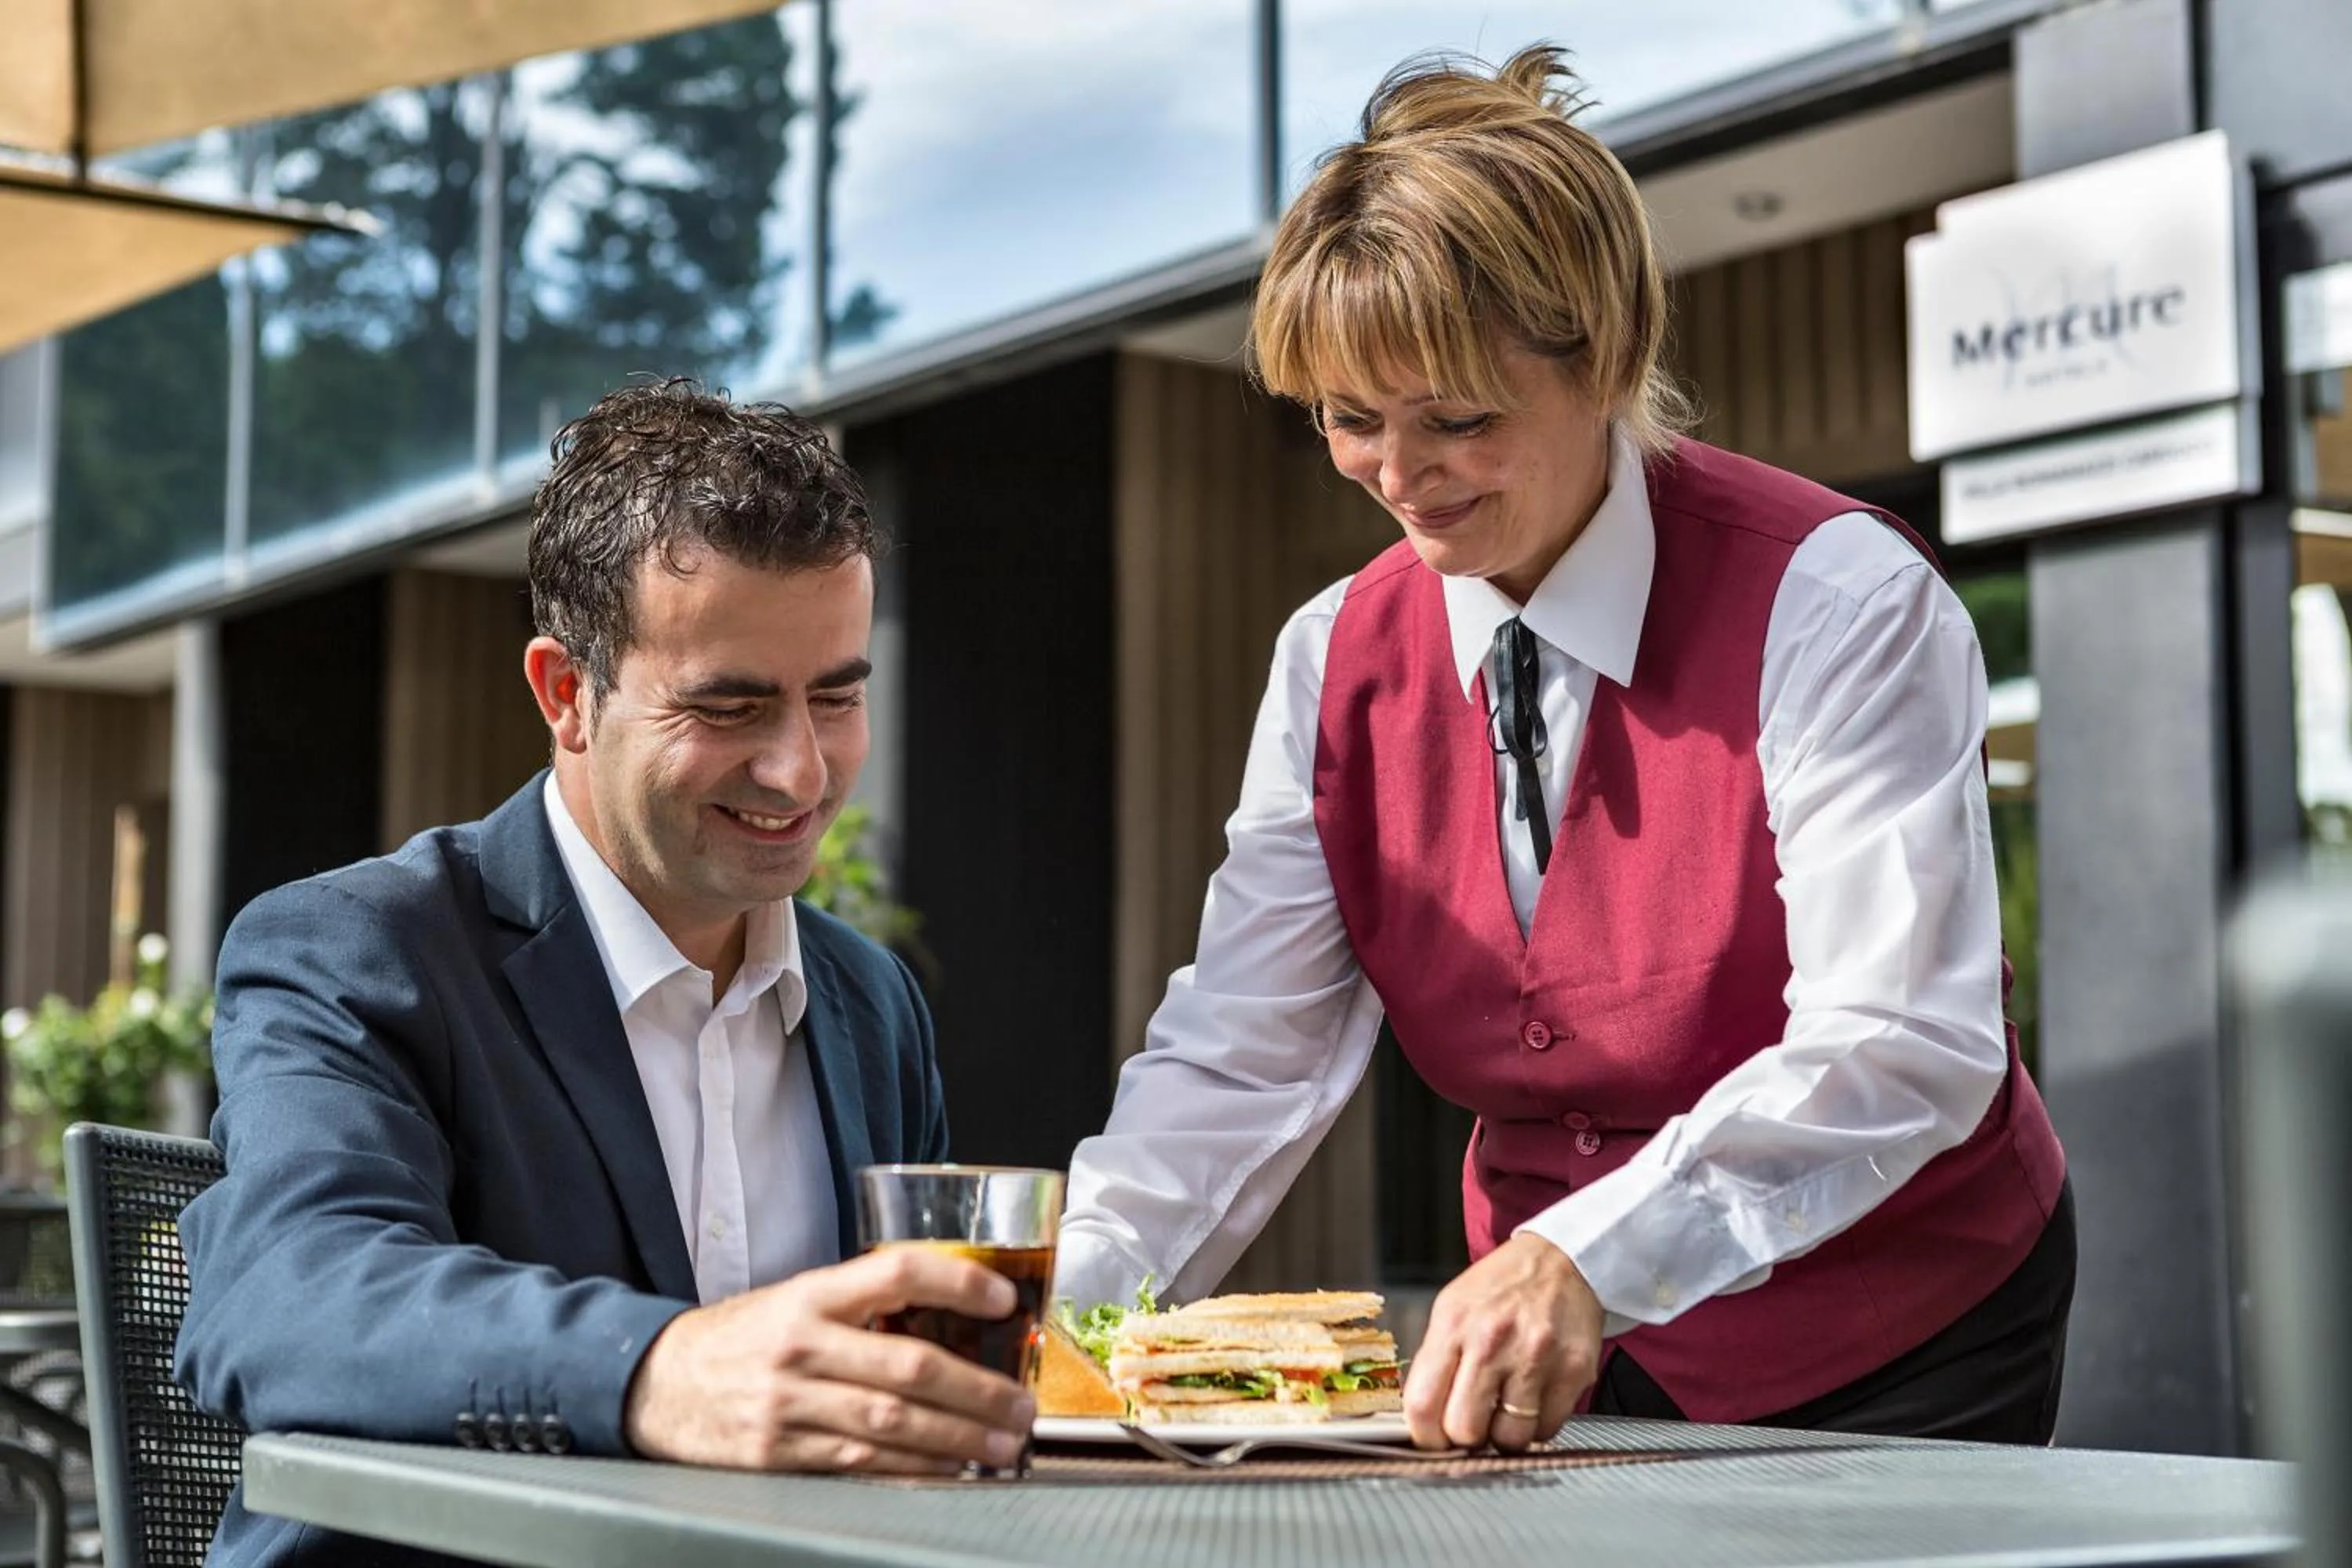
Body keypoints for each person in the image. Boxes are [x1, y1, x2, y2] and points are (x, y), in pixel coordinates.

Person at [1055, 46, 2072, 1451]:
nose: (1400, 478)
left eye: (1457, 419)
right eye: (1351, 421)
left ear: (1606, 362)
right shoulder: (1329, 660)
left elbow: (1904, 1036)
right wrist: (1068, 1321)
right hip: (1546, 1352)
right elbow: (1243, 1058)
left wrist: (1590, 1258)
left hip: (1898, 1332)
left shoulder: (1838, 600)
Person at [177, 381, 1033, 1568]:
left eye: (836, 696)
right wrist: (664, 1373)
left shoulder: (871, 1003)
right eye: (729, 707)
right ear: (566, 694)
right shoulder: (359, 950)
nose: (798, 771)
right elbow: (286, 1300)